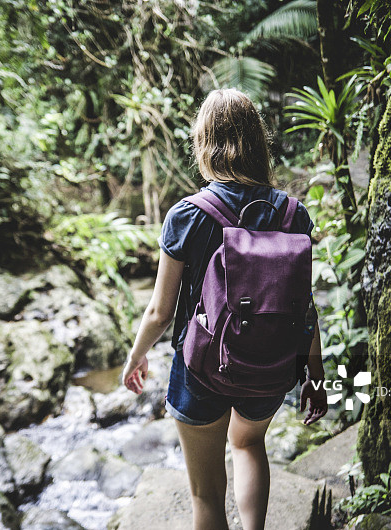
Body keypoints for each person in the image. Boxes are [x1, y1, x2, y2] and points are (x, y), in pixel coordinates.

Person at [121, 88, 328, 530]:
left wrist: (136, 355)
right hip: (272, 363)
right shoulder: (295, 216)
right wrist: (316, 374)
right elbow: (304, 307)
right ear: (258, 144)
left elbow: (159, 311)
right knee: (250, 445)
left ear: (204, 143)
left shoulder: (187, 215)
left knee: (206, 495)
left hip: (201, 368)